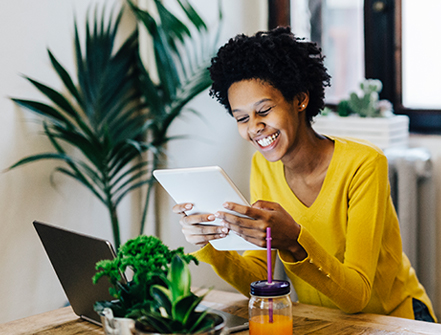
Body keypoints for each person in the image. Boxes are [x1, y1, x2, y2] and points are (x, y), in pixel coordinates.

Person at [173, 26, 436, 322]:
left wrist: (293, 240)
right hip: (328, 322)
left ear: (300, 99)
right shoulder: (264, 166)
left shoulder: (364, 164)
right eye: (242, 118)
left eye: (265, 110)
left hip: (396, 320)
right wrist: (212, 245)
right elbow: (260, 276)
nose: (254, 127)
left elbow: (357, 295)